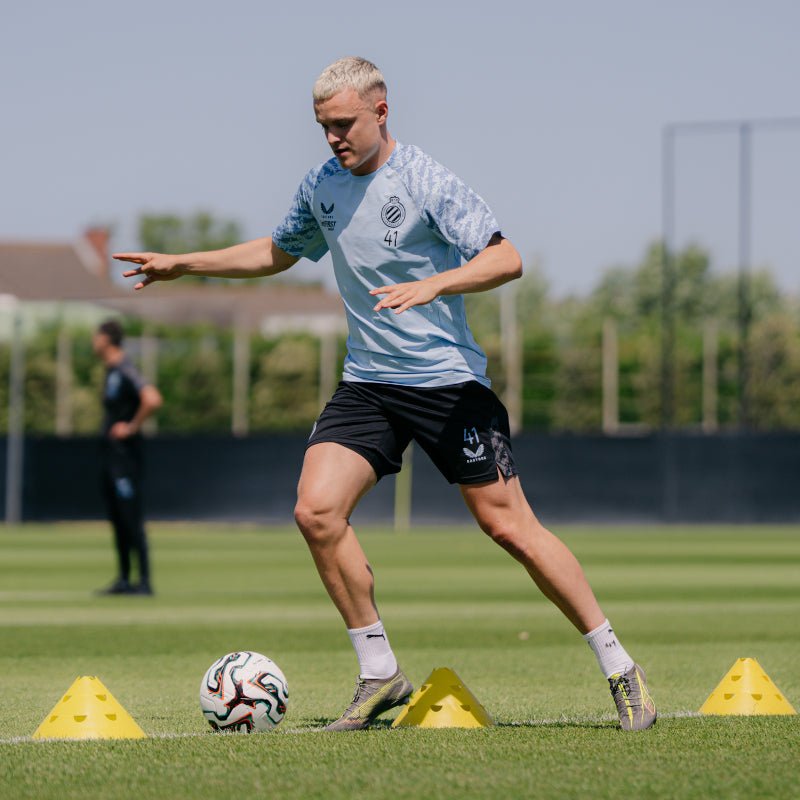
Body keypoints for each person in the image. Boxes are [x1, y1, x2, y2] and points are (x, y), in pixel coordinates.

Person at [114, 56, 656, 730]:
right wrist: (183, 263)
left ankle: (620, 667)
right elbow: (279, 253)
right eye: (324, 127)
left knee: (508, 527)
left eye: (344, 124)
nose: (334, 138)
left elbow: (505, 256)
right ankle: (379, 673)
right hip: (368, 384)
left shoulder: (426, 181)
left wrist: (436, 283)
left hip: (448, 384)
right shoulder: (322, 185)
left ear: (381, 110)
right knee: (315, 512)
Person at [93, 320, 162, 596]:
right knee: (117, 517)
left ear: (107, 339)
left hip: (125, 458)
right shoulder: (111, 371)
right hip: (111, 456)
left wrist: (131, 426)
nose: (93, 342)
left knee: (130, 515)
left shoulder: (125, 369)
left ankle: (143, 582)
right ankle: (123, 578)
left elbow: (153, 398)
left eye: (95, 337)